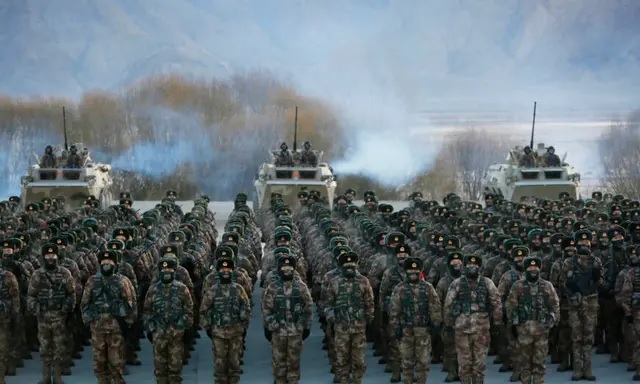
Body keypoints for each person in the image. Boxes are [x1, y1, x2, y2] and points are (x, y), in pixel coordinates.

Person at [27, 244, 76, 384]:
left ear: (57, 256)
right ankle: (46, 376)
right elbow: (31, 295)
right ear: (43, 257)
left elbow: (71, 294)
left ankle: (58, 377)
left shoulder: (65, 273)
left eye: (53, 255)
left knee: (59, 347)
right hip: (42, 317)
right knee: (44, 347)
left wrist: (66, 308)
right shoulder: (37, 274)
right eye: (48, 256)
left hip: (59, 316)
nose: (50, 258)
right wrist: (35, 308)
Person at [144, 256, 194, 384]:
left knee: (175, 368)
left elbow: (189, 309)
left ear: (174, 272)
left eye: (169, 270)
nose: (167, 273)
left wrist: (183, 324)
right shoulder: (153, 289)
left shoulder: (182, 289)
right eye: (164, 271)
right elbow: (147, 311)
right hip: (159, 334)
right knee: (160, 370)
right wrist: (151, 328)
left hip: (176, 334)